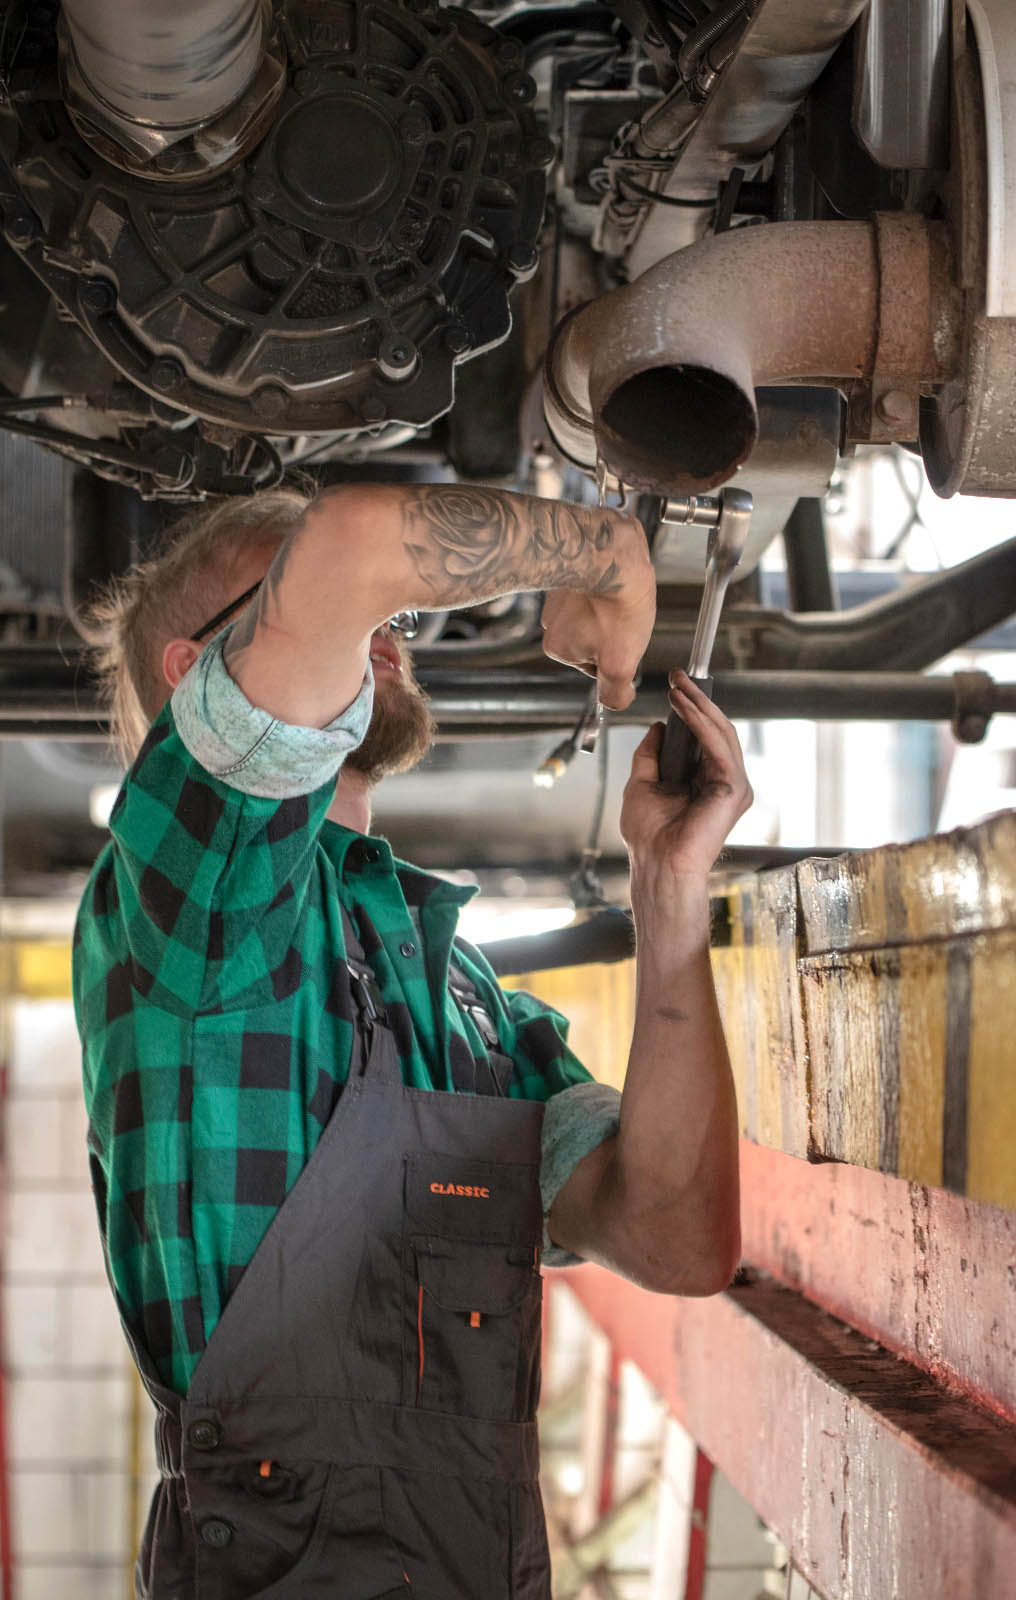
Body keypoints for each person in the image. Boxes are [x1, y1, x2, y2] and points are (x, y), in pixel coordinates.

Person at [74, 481, 752, 1600]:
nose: (387, 625)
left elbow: (675, 1235)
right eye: (300, 594)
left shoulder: (456, 981)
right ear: (199, 679)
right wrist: (603, 551)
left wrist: (667, 894)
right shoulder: (186, 893)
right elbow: (347, 546)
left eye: (391, 620)